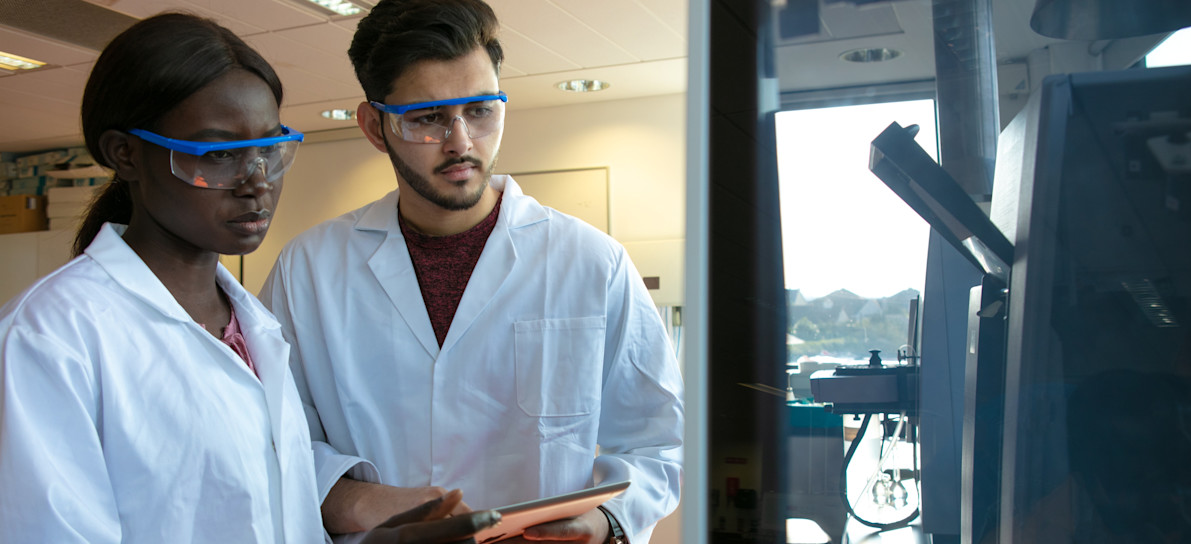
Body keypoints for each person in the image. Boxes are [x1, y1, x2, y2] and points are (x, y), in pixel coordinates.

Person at [0, 13, 499, 543]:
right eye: (218, 154)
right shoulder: (49, 338)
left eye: (268, 150)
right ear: (125, 153)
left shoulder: (252, 324)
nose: (256, 182)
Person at [258, 0, 685, 542]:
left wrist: (605, 520)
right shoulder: (308, 270)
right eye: (428, 118)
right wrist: (354, 499)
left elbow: (658, 441)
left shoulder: (592, 263)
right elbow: (269, 434)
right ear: (374, 126)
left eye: (480, 110)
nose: (460, 142)